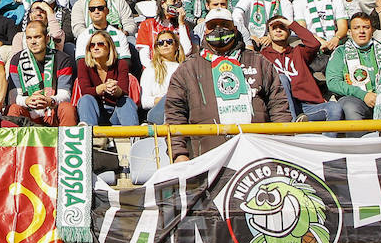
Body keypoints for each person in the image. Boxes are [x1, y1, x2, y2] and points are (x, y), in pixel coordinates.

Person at [165, 12, 292, 158]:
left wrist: (283, 145)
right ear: (205, 30)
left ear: (235, 28)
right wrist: (179, 155)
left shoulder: (258, 61)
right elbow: (174, 114)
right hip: (208, 160)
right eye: (212, 26)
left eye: (225, 25)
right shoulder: (188, 68)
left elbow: (279, 107)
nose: (219, 30)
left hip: (257, 157)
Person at [259, 16, 341, 122]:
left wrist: (291, 24)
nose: (278, 30)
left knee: (335, 108)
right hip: (281, 107)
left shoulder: (299, 51)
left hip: (306, 106)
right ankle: (293, 125)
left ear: (289, 32)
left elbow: (314, 43)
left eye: (283, 27)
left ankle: (325, 139)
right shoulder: (263, 56)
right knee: (282, 78)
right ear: (268, 34)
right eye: (274, 28)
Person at [7, 19, 75, 126]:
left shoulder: (62, 59)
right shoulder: (17, 60)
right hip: (28, 113)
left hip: (52, 111)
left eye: (37, 37)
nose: (33, 41)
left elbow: (65, 95)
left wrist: (49, 101)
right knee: (14, 109)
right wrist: (27, 101)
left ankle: (68, 141)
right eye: (29, 38)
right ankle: (14, 143)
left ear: (47, 38)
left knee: (67, 108)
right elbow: (13, 98)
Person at [326, 13, 381, 121]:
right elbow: (333, 82)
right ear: (349, 32)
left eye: (366, 27)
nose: (361, 31)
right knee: (351, 107)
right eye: (356, 28)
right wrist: (363, 95)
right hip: (354, 99)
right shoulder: (340, 52)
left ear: (372, 30)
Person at [74, 32, 139, 127]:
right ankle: (88, 132)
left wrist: (116, 89)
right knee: (86, 99)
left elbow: (124, 91)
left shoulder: (121, 64)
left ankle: (134, 134)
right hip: (95, 113)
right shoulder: (83, 64)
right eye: (92, 45)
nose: (96, 47)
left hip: (116, 112)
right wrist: (103, 87)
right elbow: (85, 90)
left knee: (126, 100)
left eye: (100, 44)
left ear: (109, 47)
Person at [139, 27, 182, 124]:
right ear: (157, 47)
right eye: (161, 43)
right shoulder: (150, 69)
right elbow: (144, 102)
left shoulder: (183, 68)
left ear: (176, 45)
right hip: (157, 113)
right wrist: (166, 100)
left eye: (169, 42)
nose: (165, 45)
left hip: (179, 111)